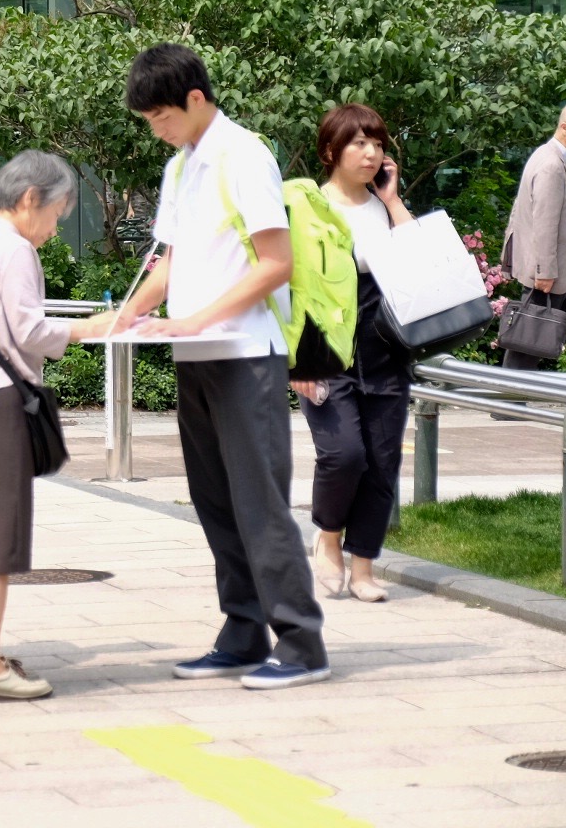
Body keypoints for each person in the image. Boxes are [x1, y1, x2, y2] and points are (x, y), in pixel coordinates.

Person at [114, 43, 328, 690]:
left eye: (161, 117)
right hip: (197, 356)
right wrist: (127, 316)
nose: (156, 130)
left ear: (196, 99)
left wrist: (196, 318)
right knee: (215, 503)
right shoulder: (181, 168)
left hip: (244, 358)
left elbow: (276, 262)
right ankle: (240, 632)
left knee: (259, 503)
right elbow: (170, 262)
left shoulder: (244, 156)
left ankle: (300, 643)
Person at [0, 152, 124, 701]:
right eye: (58, 212)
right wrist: (94, 327)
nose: (55, 227)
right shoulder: (13, 251)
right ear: (31, 199)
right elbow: (30, 330)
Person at [293, 104, 415, 604]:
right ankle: (327, 538)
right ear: (330, 151)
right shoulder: (307, 207)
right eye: (359, 143)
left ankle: (364, 567)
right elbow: (290, 283)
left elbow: (418, 267)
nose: (371, 152)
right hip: (324, 348)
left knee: (382, 463)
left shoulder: (384, 207)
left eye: (378, 143)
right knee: (344, 454)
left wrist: (394, 201)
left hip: (385, 349)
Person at [501, 102, 566, 374]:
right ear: (564, 127)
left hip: (561, 272)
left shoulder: (552, 159)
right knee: (527, 341)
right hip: (549, 274)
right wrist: (544, 271)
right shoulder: (551, 164)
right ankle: (505, 402)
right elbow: (544, 224)